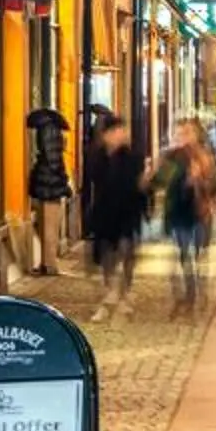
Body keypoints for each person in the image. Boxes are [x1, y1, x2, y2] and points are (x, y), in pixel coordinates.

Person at [81, 120, 144, 323]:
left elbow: (139, 187)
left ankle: (121, 297)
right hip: (105, 215)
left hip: (127, 215)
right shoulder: (97, 157)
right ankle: (111, 293)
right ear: (106, 135)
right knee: (107, 259)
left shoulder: (133, 157)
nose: (121, 135)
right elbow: (91, 187)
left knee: (126, 255)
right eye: (116, 131)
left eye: (123, 131)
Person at [147, 121, 214, 312]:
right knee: (183, 254)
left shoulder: (203, 157)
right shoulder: (170, 158)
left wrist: (200, 180)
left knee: (199, 255)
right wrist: (150, 175)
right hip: (177, 212)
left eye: (186, 134)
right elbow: (157, 183)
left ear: (195, 136)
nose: (182, 138)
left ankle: (198, 291)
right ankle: (188, 296)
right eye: (178, 134)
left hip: (199, 212)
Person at [22, 104, 71, 276]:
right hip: (51, 184)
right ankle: (48, 264)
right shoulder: (51, 128)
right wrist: (63, 180)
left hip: (47, 183)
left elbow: (51, 157)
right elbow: (54, 158)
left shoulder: (46, 129)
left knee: (47, 226)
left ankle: (48, 263)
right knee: (49, 226)